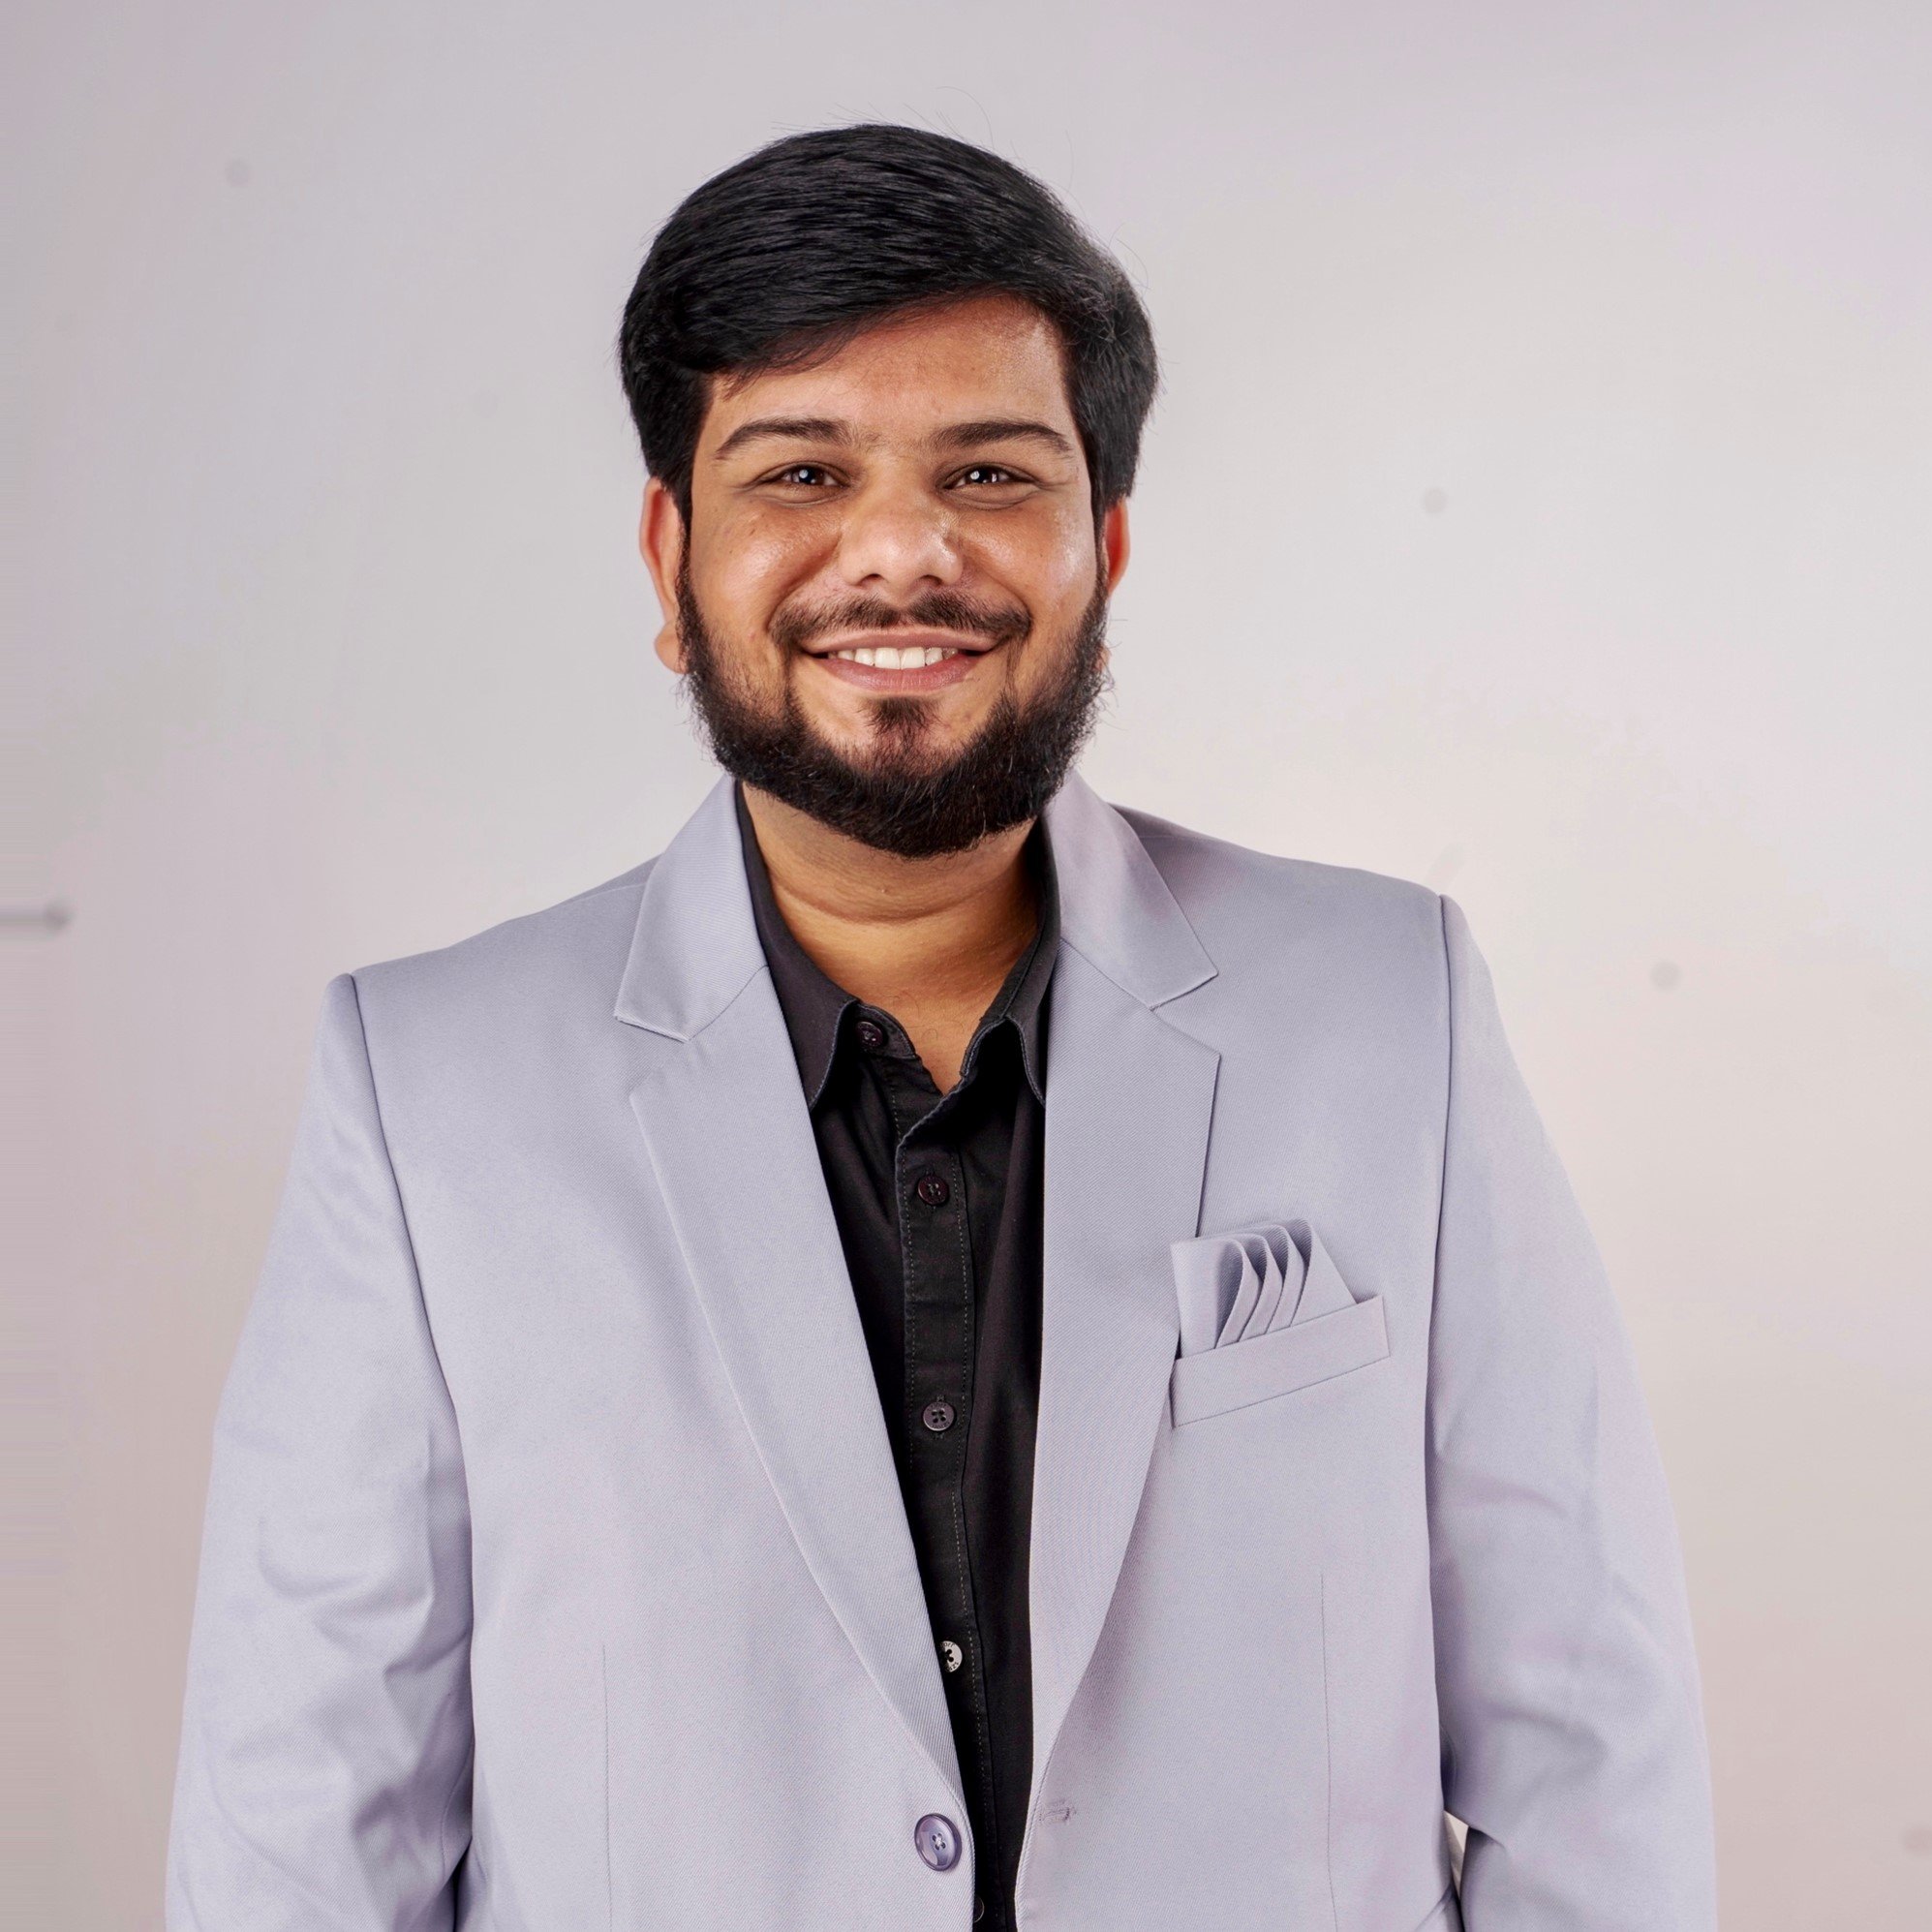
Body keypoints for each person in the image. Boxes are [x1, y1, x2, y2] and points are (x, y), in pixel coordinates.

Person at [165, 125, 1717, 1932]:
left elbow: (1586, 1741)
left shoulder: (1395, 1009)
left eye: (987, 471)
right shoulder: (426, 1092)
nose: (898, 553)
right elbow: (303, 1834)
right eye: (801, 470)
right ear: (674, 556)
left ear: (1105, 543)